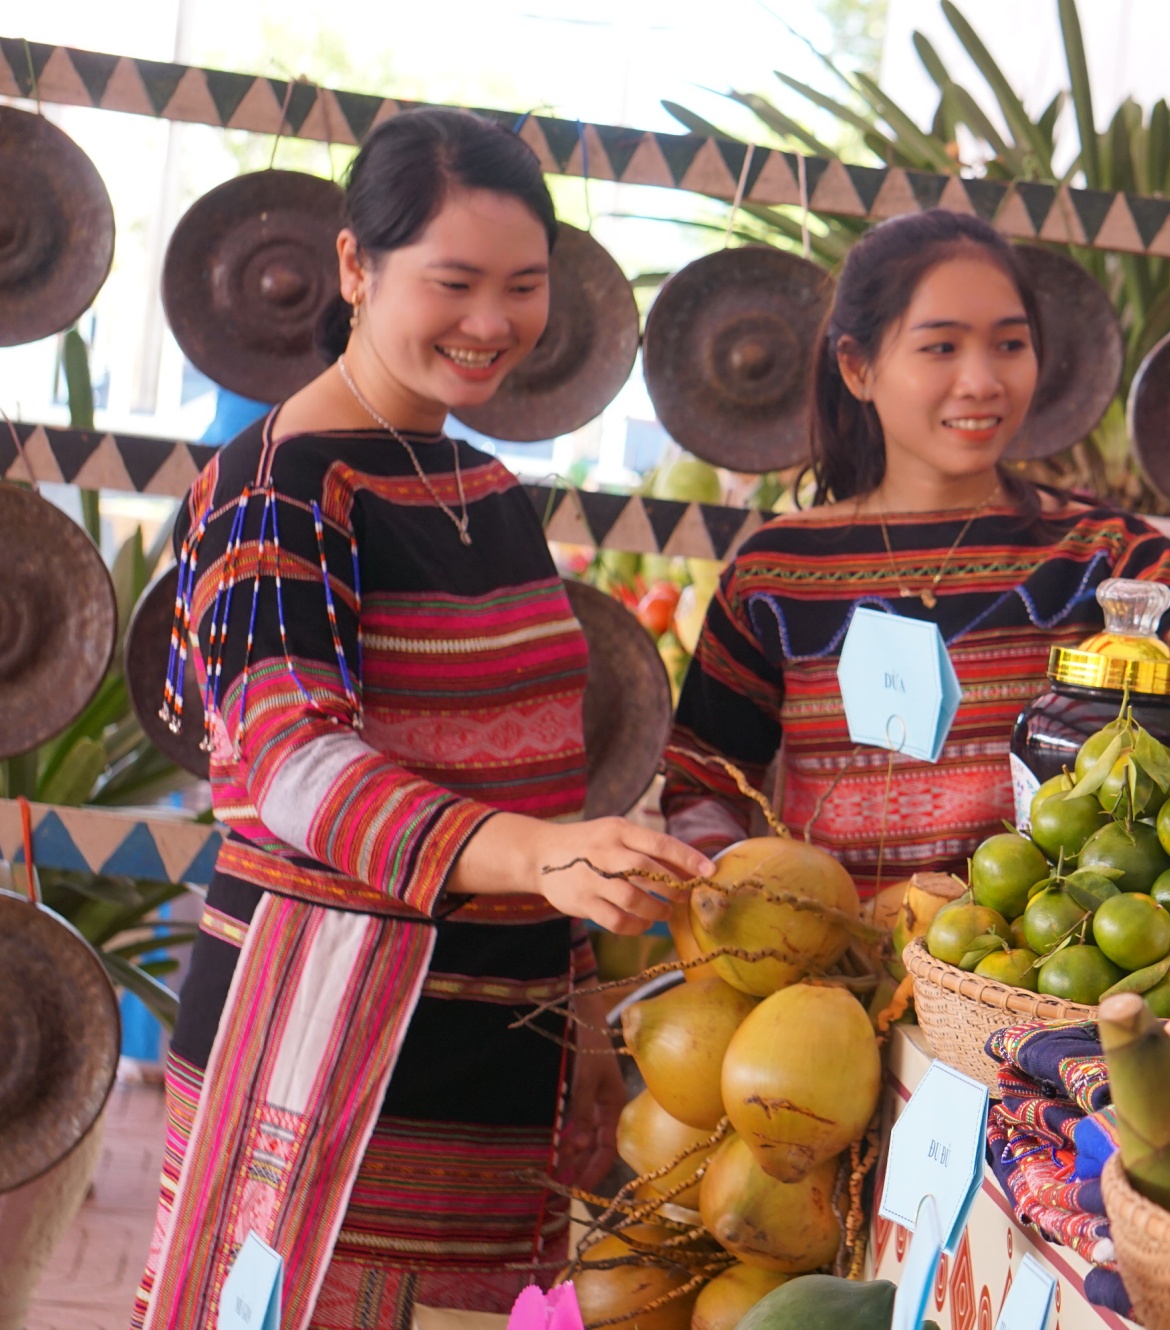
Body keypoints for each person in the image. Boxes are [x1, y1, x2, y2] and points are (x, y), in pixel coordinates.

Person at [135, 109, 710, 1330]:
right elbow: (297, 767)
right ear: (355, 268)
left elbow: (548, 775)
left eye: (522, 287)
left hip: (497, 1045)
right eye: (453, 283)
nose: (491, 323)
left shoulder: (486, 489)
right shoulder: (276, 485)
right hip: (320, 1027)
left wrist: (584, 1016)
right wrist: (543, 858)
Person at [663, 210, 1170, 901]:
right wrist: (738, 903)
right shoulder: (777, 575)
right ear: (858, 367)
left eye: (1010, 344)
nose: (982, 381)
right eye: (941, 348)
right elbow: (703, 782)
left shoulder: (1098, 555)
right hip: (827, 981)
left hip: (1030, 980)